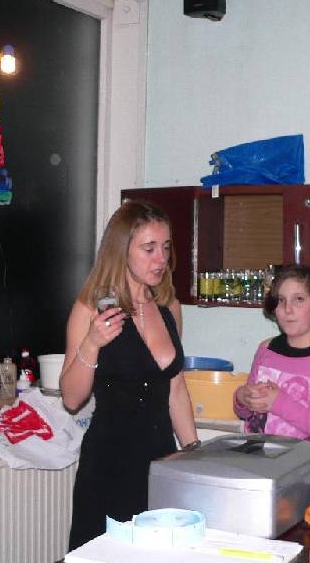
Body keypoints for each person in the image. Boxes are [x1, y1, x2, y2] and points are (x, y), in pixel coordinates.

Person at [60, 199, 198, 550]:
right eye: (149, 249)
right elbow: (72, 398)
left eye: (165, 247)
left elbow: (176, 389)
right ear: (121, 251)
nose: (161, 259)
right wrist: (92, 343)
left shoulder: (168, 307)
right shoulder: (90, 309)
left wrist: (195, 454)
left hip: (161, 461)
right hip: (110, 465)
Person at [233, 265, 310, 439]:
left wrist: (280, 404)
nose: (287, 309)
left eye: (299, 299)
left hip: (306, 456)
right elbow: (246, 414)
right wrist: (242, 398)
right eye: (281, 300)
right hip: (256, 453)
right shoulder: (266, 349)